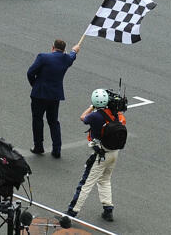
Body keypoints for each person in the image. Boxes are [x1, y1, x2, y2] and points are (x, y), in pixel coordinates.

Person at [65, 89, 126, 223]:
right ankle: (108, 209)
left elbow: (83, 118)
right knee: (105, 179)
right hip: (114, 153)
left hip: (101, 154)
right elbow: (122, 120)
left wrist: (91, 107)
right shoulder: (116, 115)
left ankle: (71, 212)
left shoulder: (95, 116)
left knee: (85, 183)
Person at [27, 39, 81, 158]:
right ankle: (57, 149)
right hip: (54, 96)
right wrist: (74, 51)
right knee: (53, 121)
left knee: (37, 120)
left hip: (39, 94)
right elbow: (72, 56)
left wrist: (35, 85)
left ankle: (38, 146)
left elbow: (30, 72)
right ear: (63, 50)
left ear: (53, 47)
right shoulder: (66, 59)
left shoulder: (43, 57)